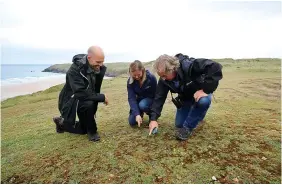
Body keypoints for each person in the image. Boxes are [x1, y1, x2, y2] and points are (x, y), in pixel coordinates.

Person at [148, 53, 223, 140]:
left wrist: (205, 90)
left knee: (203, 102)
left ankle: (189, 126)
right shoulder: (164, 80)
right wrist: (153, 119)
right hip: (185, 98)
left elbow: (215, 67)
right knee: (179, 124)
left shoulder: (188, 65)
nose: (163, 78)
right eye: (161, 76)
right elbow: (159, 98)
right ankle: (195, 114)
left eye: (164, 75)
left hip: (199, 95)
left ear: (172, 69)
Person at [53, 46, 109, 142]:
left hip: (85, 98)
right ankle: (92, 132)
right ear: (89, 58)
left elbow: (95, 89)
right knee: (89, 103)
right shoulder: (74, 70)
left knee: (83, 129)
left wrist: (95, 104)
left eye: (102, 61)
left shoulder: (96, 67)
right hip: (72, 99)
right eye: (98, 62)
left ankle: (62, 123)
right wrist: (102, 97)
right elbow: (81, 93)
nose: (101, 65)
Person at [127, 60, 157, 127]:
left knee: (142, 105)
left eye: (139, 75)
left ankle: (151, 115)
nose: (137, 77)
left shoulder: (151, 78)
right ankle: (140, 114)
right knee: (132, 122)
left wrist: (153, 117)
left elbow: (156, 96)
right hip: (139, 99)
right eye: (134, 75)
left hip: (150, 100)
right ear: (131, 73)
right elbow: (131, 98)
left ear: (142, 70)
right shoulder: (130, 81)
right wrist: (137, 114)